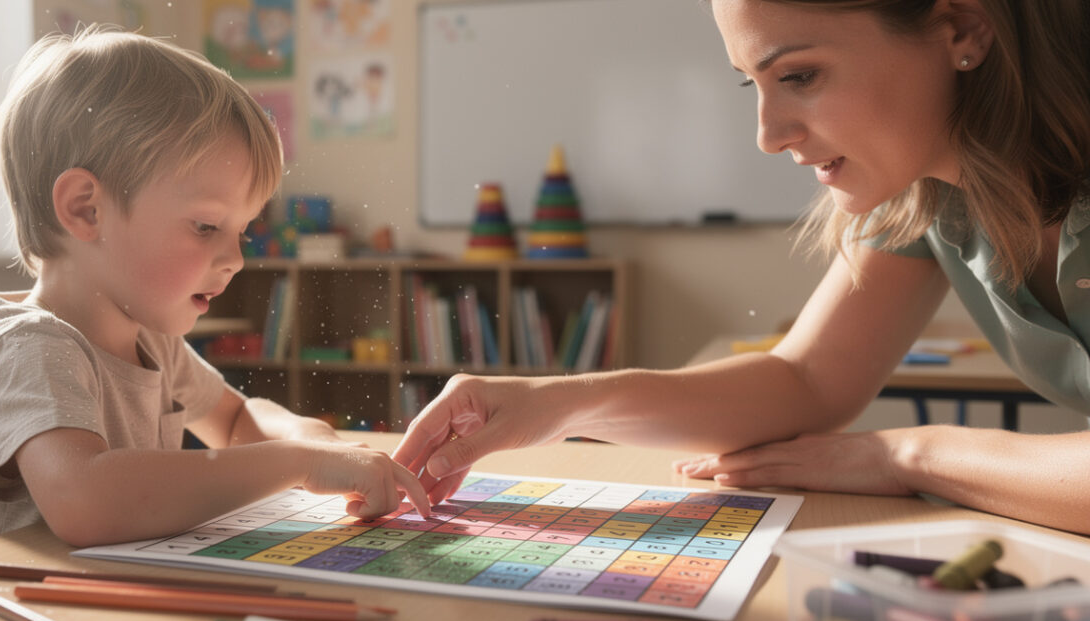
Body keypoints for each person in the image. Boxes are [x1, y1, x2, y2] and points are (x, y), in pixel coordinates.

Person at [395, 0, 1090, 535]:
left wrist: (904, 457)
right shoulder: (929, 198)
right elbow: (805, 381)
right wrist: (556, 403)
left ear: (964, 27)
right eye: (750, 85)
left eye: (799, 76)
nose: (767, 135)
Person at [0, 26, 429, 561]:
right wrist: (296, 463)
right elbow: (86, 500)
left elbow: (233, 420)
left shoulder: (149, 340)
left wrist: (310, 438)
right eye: (206, 227)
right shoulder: (23, 349)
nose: (236, 259)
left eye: (241, 231)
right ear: (87, 209)